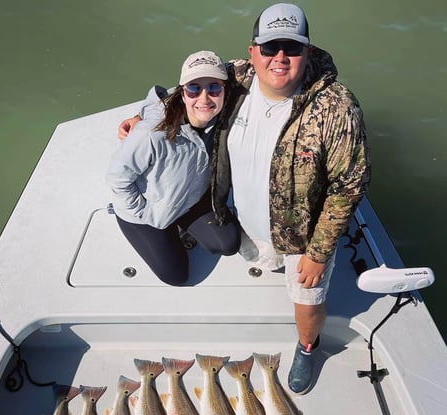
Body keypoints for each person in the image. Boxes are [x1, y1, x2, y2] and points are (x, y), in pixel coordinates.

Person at [118, 4, 371, 394]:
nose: (280, 58)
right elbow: (187, 86)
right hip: (247, 218)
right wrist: (143, 114)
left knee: (307, 302)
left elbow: (349, 186)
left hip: (303, 235)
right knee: (240, 249)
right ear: (253, 51)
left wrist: (319, 252)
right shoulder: (236, 76)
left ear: (308, 51)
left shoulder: (336, 108)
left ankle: (307, 347)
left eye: (292, 47)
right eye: (270, 47)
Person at [107, 50, 241, 286]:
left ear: (224, 91)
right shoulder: (150, 133)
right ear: (182, 92)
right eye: (194, 88)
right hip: (148, 214)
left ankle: (182, 225)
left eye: (214, 88)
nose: (204, 98)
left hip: (191, 198)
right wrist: (146, 213)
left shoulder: (221, 116)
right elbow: (117, 178)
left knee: (227, 244)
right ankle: (159, 229)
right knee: (176, 276)